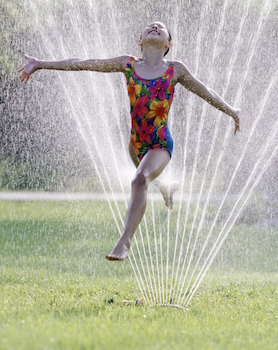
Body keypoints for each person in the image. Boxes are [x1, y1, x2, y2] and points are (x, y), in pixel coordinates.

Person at [18, 21, 240, 261]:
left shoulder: (176, 70)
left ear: (168, 44)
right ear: (140, 40)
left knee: (139, 180)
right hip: (134, 144)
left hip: (160, 144)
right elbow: (85, 63)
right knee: (143, 178)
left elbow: (206, 91)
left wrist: (232, 111)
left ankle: (124, 242)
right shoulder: (128, 64)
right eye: (149, 27)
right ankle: (165, 186)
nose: (155, 27)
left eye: (161, 28)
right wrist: (40, 64)